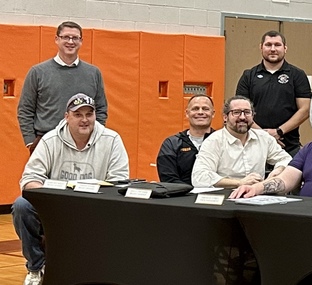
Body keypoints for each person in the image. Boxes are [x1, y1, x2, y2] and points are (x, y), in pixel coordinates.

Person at [13, 93, 129, 285]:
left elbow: (120, 182)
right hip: (56, 207)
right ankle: (36, 267)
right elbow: (29, 180)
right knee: (22, 206)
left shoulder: (112, 140)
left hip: (96, 207)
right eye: (78, 114)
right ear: (66, 117)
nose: (84, 120)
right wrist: (55, 197)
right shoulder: (50, 140)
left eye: (89, 114)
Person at [19, 21, 107, 154]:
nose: (70, 42)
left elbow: (101, 108)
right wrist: (31, 142)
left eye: (75, 38)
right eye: (66, 37)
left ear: (81, 41)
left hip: (83, 144)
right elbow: (25, 109)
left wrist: (94, 137)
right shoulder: (37, 72)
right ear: (56, 39)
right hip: (46, 143)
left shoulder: (93, 73)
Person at [235, 30, 312, 155]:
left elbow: (305, 110)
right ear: (261, 47)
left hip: (288, 146)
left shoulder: (297, 75)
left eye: (277, 45)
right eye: (268, 45)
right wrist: (265, 136)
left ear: (285, 48)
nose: (272, 49)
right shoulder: (248, 76)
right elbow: (240, 110)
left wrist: (279, 131)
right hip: (253, 144)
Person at [191, 96, 292, 187]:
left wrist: (277, 171)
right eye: (236, 112)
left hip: (257, 196)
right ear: (225, 117)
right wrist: (239, 183)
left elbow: (286, 159)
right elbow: (199, 177)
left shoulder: (264, 138)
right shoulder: (213, 141)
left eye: (247, 112)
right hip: (225, 199)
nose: (243, 117)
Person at [157, 95, 215, 184]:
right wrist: (190, 192)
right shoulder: (171, 144)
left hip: (216, 195)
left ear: (213, 113)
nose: (200, 112)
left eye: (205, 109)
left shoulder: (222, 141)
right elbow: (168, 179)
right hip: (181, 196)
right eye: (195, 109)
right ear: (187, 113)